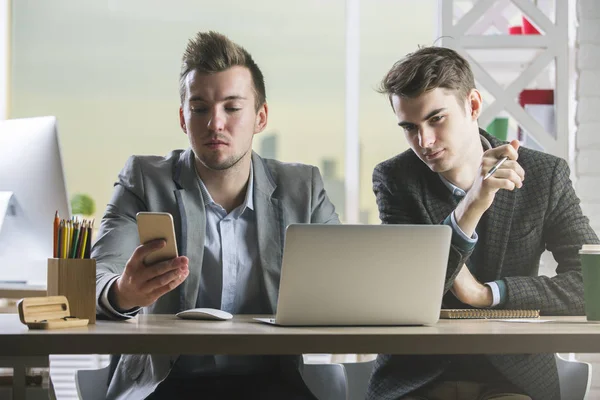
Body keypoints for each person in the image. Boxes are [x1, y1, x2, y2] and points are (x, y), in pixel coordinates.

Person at [93, 31, 339, 400]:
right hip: (168, 381)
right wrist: (124, 293)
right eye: (200, 108)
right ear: (183, 118)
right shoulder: (144, 180)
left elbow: (345, 280)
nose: (215, 124)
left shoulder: (302, 187)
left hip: (272, 382)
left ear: (261, 117)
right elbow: (96, 275)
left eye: (232, 107)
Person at [367, 46, 599, 400]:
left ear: (473, 105)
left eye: (436, 119)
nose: (424, 142)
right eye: (409, 128)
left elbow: (592, 286)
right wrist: (472, 204)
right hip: (418, 379)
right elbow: (411, 294)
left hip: (513, 380)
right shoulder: (395, 178)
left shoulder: (543, 175)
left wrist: (488, 293)